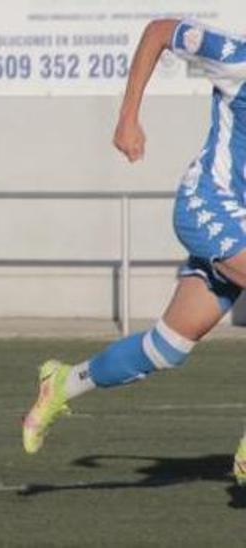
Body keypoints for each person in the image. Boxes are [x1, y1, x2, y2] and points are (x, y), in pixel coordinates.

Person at [22, 19, 246, 484]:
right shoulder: (236, 58)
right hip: (210, 204)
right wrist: (128, 116)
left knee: (168, 347)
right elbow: (160, 31)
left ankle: (64, 382)